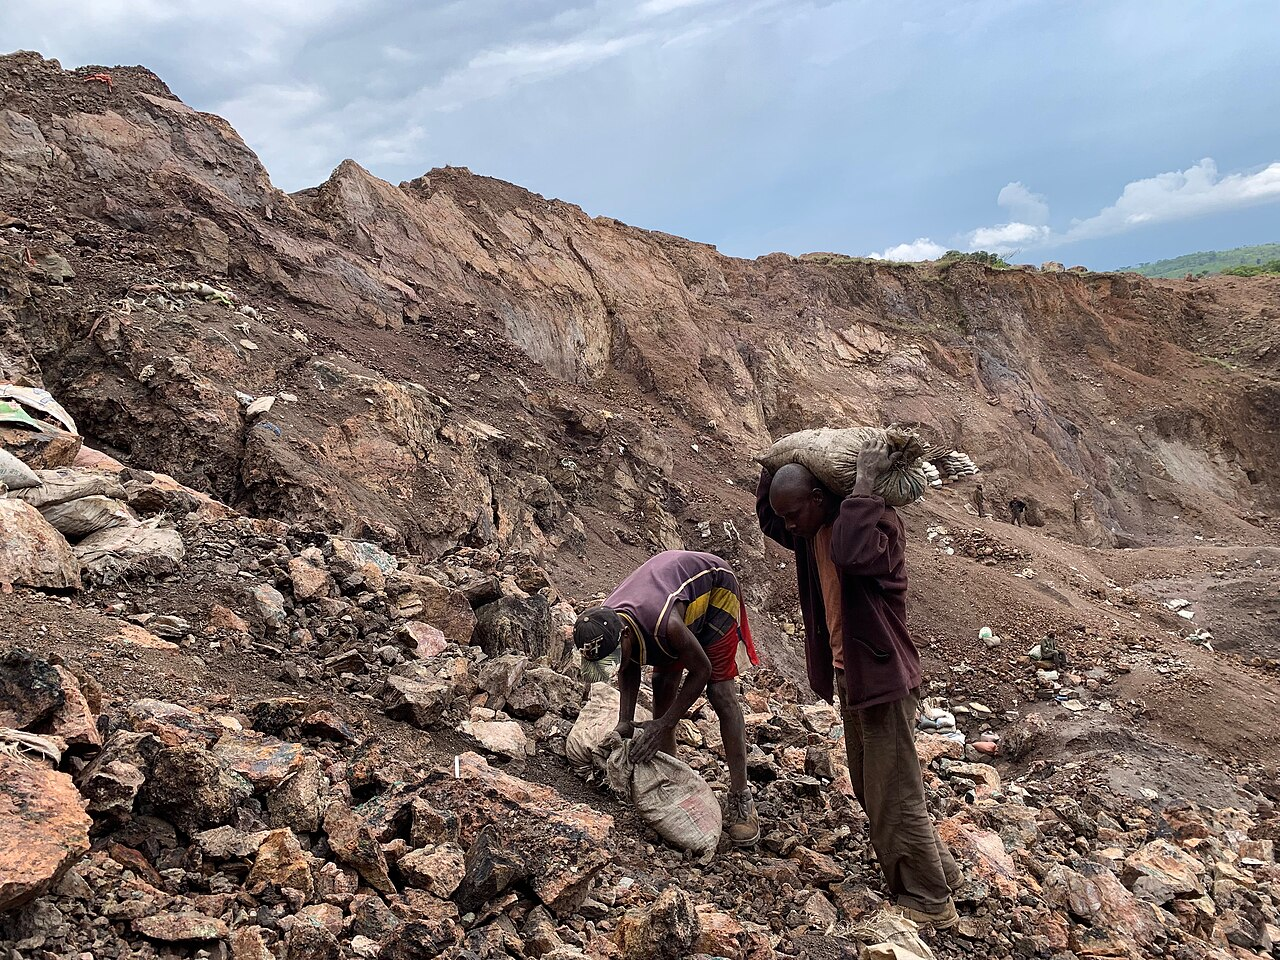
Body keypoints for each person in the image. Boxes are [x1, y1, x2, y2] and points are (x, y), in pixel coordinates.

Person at [756, 440, 962, 929]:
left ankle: (929, 899)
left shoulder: (878, 528)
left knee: (893, 792)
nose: (788, 526)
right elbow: (770, 518)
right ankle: (943, 873)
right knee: (876, 790)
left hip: (884, 681)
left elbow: (851, 555)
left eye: (795, 514)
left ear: (822, 500)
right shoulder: (814, 529)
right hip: (855, 679)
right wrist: (772, 469)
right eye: (787, 517)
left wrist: (866, 483)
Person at [573, 550, 762, 846]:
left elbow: (701, 670)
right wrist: (624, 722)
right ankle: (672, 781)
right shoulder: (603, 623)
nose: (612, 665)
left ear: (624, 635)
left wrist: (662, 725)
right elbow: (628, 665)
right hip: (673, 598)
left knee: (720, 692)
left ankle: (741, 797)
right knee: (662, 684)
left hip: (714, 591)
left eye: (613, 658)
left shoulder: (665, 625)